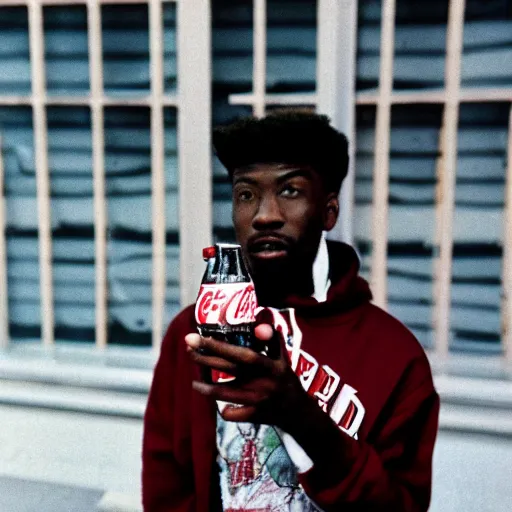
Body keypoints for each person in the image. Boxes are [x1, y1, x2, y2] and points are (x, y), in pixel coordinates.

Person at [142, 111, 440, 512]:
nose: (265, 215)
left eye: (290, 191)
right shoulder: (196, 329)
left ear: (328, 211)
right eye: (246, 194)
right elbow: (167, 481)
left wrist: (304, 420)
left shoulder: (396, 356)